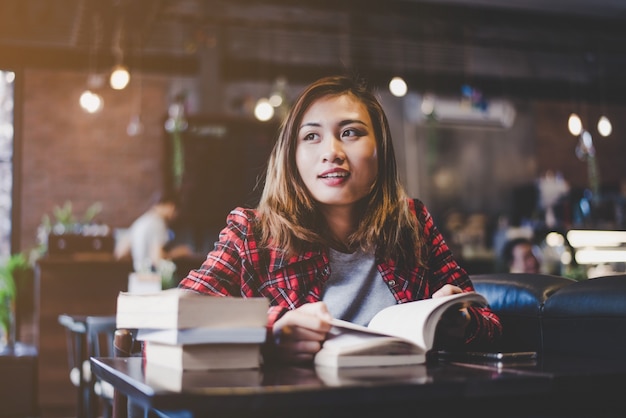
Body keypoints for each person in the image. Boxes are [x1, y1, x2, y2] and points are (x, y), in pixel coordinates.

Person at [178, 75, 502, 364]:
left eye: (350, 132)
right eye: (311, 137)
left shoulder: (412, 223)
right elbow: (178, 320)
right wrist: (272, 328)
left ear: (381, 151)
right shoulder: (251, 232)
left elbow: (490, 325)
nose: (332, 151)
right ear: (291, 156)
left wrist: (463, 322)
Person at [115, 193, 192, 273]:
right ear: (171, 206)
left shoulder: (141, 221)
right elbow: (157, 259)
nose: (175, 216)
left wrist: (139, 257)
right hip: (152, 280)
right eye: (176, 212)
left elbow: (120, 252)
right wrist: (177, 253)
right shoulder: (159, 223)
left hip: (138, 278)